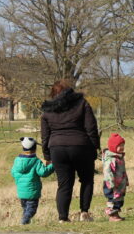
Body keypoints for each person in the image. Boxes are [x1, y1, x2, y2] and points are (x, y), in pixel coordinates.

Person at [41, 79, 100, 223]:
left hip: (57, 148)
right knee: (86, 180)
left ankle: (63, 217)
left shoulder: (47, 110)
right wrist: (94, 148)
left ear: (53, 93)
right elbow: (91, 128)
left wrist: (47, 155)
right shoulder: (82, 104)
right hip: (81, 146)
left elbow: (45, 135)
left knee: (64, 184)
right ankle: (84, 212)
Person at [11, 137, 54, 225]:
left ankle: (25, 224)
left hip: (21, 192)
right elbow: (43, 172)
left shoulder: (17, 160)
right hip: (32, 193)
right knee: (31, 211)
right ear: (35, 148)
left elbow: (13, 172)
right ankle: (24, 222)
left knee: (26, 209)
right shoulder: (36, 161)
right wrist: (53, 165)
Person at [102, 133, 128, 222]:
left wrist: (126, 180)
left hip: (120, 183)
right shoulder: (111, 159)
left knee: (119, 200)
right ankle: (112, 216)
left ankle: (116, 214)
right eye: (119, 146)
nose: (122, 147)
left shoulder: (119, 157)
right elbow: (107, 172)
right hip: (112, 184)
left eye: (123, 145)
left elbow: (123, 171)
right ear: (113, 147)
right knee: (113, 200)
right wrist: (110, 183)